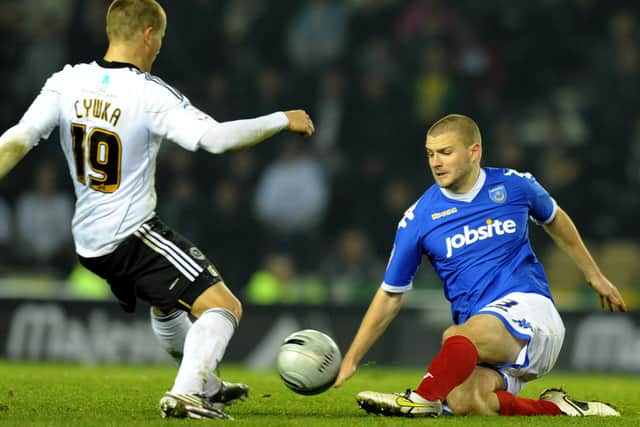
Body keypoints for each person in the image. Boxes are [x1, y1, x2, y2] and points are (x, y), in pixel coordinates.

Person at [0, 0, 314, 420]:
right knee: (224, 307)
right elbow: (216, 139)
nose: (161, 47)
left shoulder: (66, 81)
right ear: (148, 35)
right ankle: (186, 393)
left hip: (89, 241)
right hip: (130, 233)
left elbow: (19, 138)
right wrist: (281, 118)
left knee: (166, 304)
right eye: (161, 38)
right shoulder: (149, 93)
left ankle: (210, 385)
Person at [333, 114, 626, 417]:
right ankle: (559, 409)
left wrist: (594, 275)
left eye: (446, 152)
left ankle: (422, 398)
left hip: (530, 312)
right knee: (465, 400)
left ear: (474, 151)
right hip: (483, 340)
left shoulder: (514, 185)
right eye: (431, 154)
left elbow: (555, 218)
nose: (436, 162)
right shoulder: (418, 218)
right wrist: (352, 357)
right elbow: (391, 294)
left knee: (456, 336)